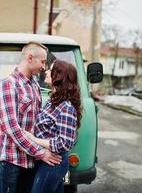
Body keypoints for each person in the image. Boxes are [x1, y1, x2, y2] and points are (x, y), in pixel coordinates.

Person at [0, 42, 62, 193]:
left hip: (30, 160)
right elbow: (11, 128)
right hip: (11, 160)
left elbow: (37, 123)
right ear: (30, 58)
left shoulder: (34, 86)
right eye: (43, 62)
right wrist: (41, 152)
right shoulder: (9, 85)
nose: (44, 67)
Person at [24, 60, 82, 193]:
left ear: (60, 76)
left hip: (54, 163)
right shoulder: (53, 101)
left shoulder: (66, 107)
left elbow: (65, 143)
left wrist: (34, 139)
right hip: (45, 160)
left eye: (51, 69)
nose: (46, 71)